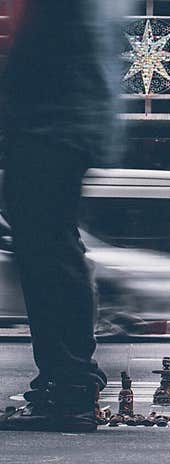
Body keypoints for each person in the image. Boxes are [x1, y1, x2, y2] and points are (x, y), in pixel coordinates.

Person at [0, 0, 127, 432]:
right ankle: (66, 382)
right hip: (55, 126)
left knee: (46, 250)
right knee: (48, 246)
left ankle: (68, 386)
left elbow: (47, 57)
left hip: (49, 127)